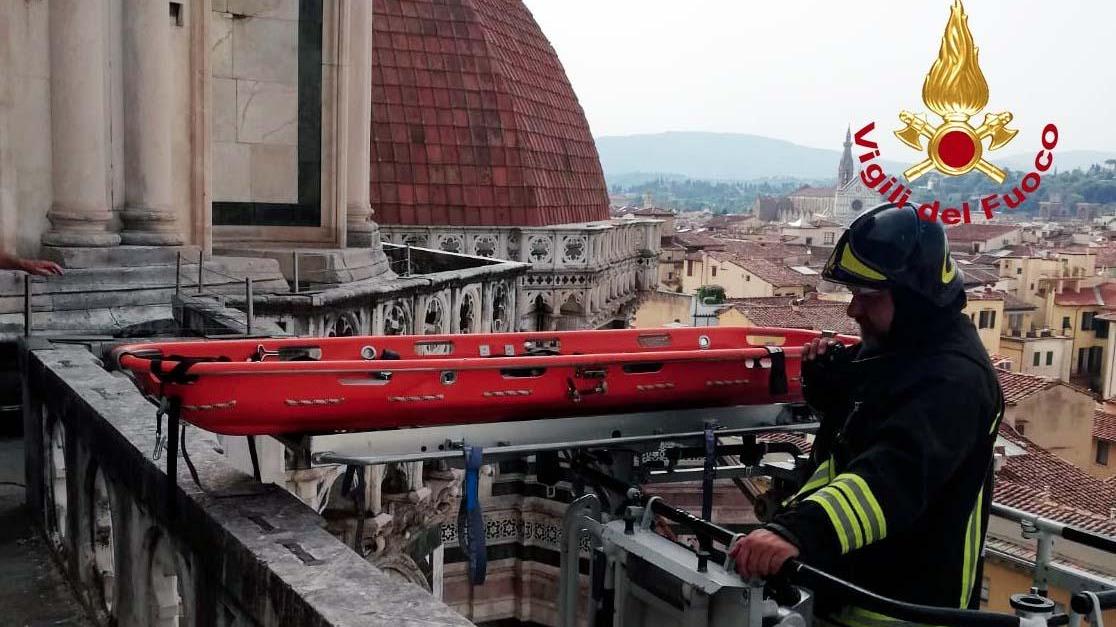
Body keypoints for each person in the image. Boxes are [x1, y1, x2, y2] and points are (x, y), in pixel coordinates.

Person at [729, 202, 1004, 625]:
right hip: (851, 596)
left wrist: (798, 532)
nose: (852, 310)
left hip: (901, 613)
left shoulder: (956, 381)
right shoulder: (904, 354)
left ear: (914, 300)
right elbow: (859, 442)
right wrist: (833, 391)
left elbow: (891, 478)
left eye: (867, 297)